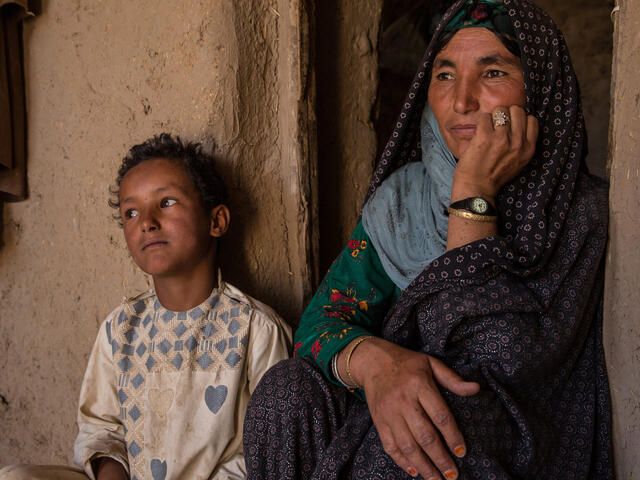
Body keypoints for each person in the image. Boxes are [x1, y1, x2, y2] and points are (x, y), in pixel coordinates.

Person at [243, 0, 612, 479]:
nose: (462, 101)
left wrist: (474, 194)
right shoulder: (403, 203)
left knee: (427, 427)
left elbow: (482, 363)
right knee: (285, 393)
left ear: (540, 90)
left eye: (494, 72)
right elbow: (320, 325)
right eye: (444, 75)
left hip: (511, 442)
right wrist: (376, 364)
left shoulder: (581, 216)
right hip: (399, 424)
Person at [0, 134, 292, 480]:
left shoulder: (255, 329)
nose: (146, 221)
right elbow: (101, 428)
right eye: (131, 211)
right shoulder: (120, 328)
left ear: (216, 221)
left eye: (166, 202)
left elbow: (266, 452)